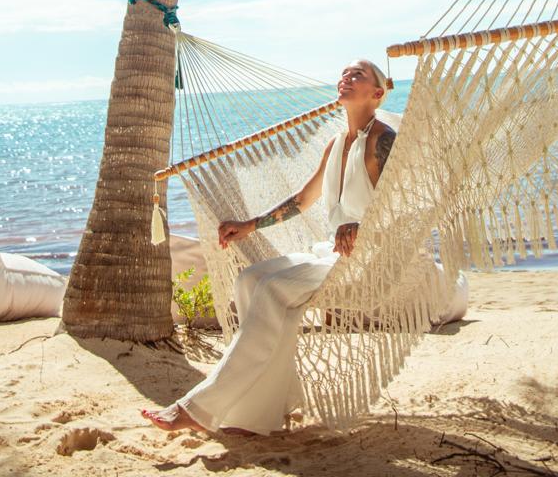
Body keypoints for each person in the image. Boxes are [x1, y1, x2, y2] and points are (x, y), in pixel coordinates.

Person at [141, 58, 396, 437]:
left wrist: (364, 225)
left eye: (357, 74)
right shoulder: (335, 145)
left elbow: (401, 201)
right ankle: (257, 411)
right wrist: (249, 225)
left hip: (369, 256)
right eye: (343, 72)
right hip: (331, 252)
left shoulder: (384, 139)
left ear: (376, 93)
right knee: (249, 279)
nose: (345, 77)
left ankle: (199, 407)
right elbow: (302, 200)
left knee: (273, 290)